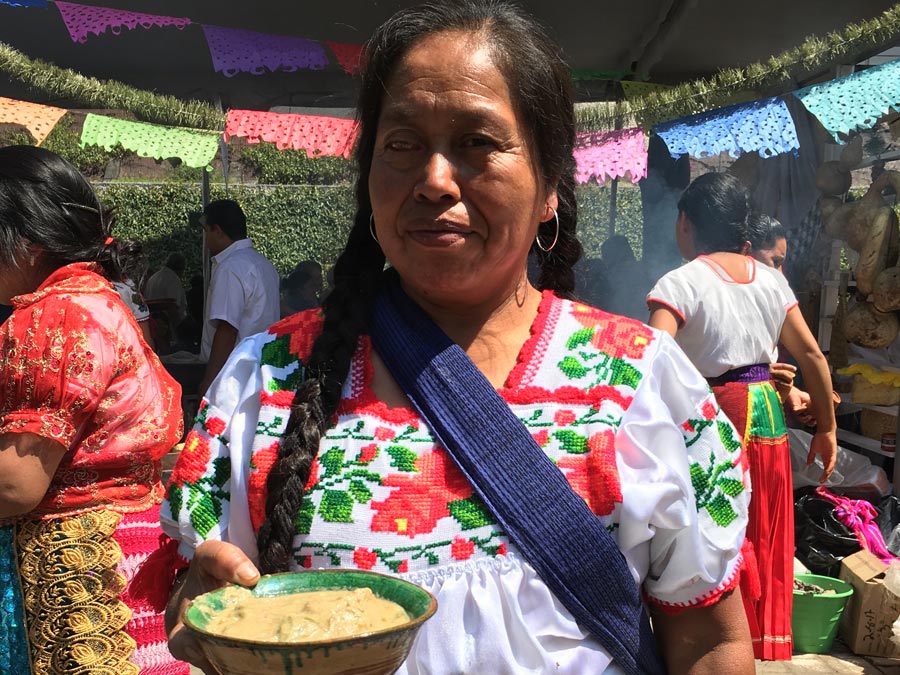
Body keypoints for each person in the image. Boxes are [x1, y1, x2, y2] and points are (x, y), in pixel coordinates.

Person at [163, 4, 755, 674]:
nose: (435, 180)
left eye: (478, 142)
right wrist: (198, 614)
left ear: (550, 183)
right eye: (403, 144)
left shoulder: (645, 384)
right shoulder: (264, 380)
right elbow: (194, 601)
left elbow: (710, 642)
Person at [0, 145, 188, 674]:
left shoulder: (50, 314)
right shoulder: (104, 301)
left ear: (30, 244)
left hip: (77, 579)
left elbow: (16, 483)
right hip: (129, 559)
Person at [647, 172, 838, 661]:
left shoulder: (681, 280)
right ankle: (759, 639)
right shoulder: (771, 279)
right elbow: (813, 357)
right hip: (768, 413)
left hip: (713, 416)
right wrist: (829, 429)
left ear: (685, 224)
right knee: (763, 525)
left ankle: (719, 642)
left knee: (715, 529)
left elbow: (652, 358)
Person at [746, 214, 841, 427]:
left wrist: (792, 393)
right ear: (746, 251)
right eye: (775, 262)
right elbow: (811, 355)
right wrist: (828, 429)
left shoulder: (768, 291)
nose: (781, 274)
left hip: (766, 412)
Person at [197, 199, 280, 394]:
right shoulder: (263, 263)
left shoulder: (231, 268)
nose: (206, 238)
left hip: (233, 376)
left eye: (206, 231)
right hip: (262, 368)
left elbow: (227, 329)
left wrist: (209, 381)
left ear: (217, 230)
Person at [145, 251, 188, 324]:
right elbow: (172, 307)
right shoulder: (173, 279)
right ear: (181, 268)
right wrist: (179, 327)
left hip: (153, 322)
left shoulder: (154, 277)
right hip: (167, 325)